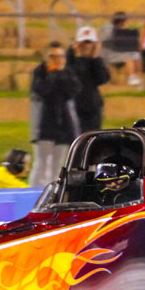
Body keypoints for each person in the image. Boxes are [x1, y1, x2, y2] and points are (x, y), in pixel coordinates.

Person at [29, 41, 82, 187]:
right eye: (53, 56)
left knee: (58, 166)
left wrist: (60, 74)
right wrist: (54, 74)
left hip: (64, 126)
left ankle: (54, 194)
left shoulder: (68, 73)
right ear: (46, 58)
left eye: (61, 56)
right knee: (42, 163)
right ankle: (35, 192)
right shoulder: (40, 73)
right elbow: (42, 91)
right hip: (45, 126)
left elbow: (73, 91)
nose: (58, 60)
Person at [66, 25, 111, 132]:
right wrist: (79, 57)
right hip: (73, 107)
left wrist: (95, 58)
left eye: (89, 42)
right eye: (83, 42)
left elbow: (103, 79)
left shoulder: (95, 61)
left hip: (92, 107)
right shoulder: (68, 59)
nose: (86, 46)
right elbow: (76, 78)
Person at [99, 11, 142, 87]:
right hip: (108, 54)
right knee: (128, 55)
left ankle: (138, 77)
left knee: (136, 54)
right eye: (126, 21)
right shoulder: (109, 28)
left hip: (114, 52)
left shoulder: (114, 27)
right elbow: (109, 42)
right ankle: (132, 77)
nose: (127, 23)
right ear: (122, 22)